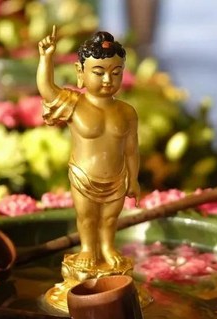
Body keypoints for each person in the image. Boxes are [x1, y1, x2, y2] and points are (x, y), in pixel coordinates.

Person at [37, 27, 141, 270]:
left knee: (110, 218)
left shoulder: (127, 112)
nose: (107, 80)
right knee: (87, 217)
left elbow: (132, 150)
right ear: (80, 72)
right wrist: (46, 58)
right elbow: (47, 89)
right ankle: (87, 247)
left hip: (117, 176)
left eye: (116, 73)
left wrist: (134, 179)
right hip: (84, 176)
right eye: (99, 72)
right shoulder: (75, 104)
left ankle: (107, 246)